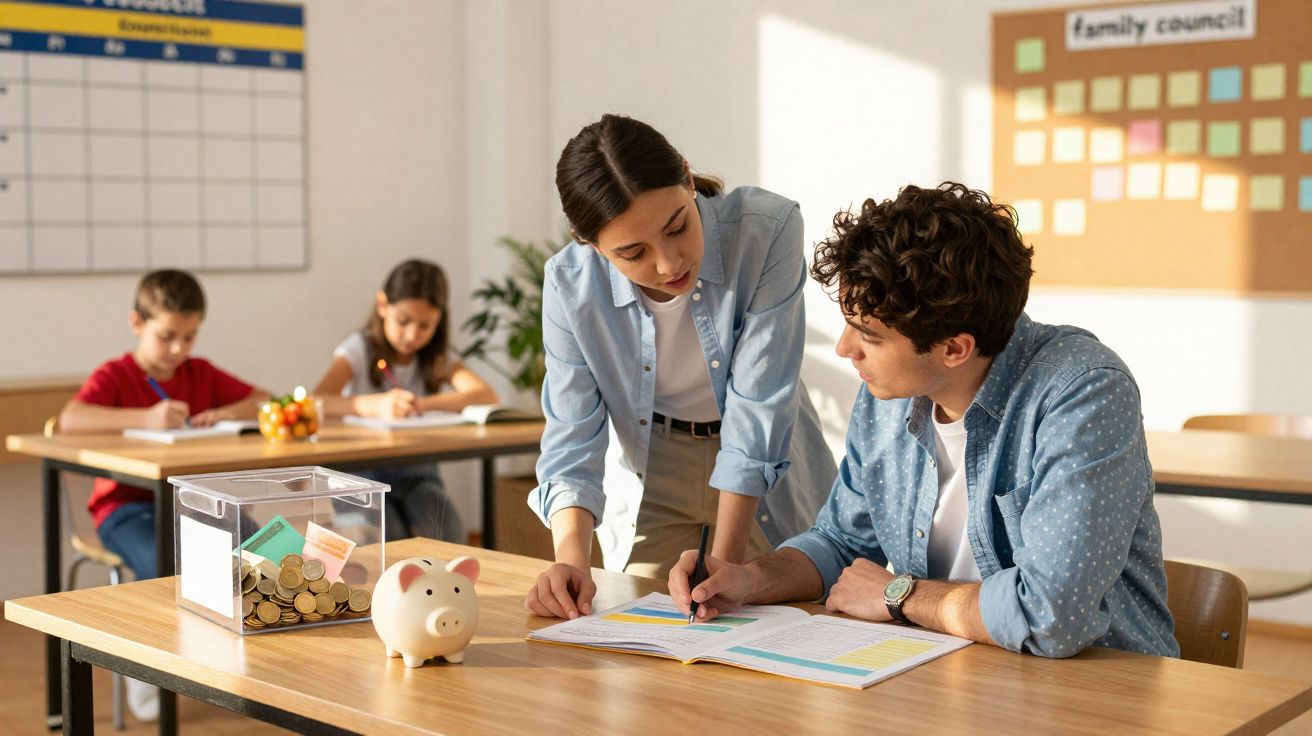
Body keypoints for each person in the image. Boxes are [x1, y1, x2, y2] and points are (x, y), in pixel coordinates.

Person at [669, 182, 1179, 659]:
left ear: (955, 349)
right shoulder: (889, 393)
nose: (845, 349)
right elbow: (840, 542)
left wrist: (899, 595)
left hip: (1098, 686)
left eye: (868, 335)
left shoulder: (1083, 392)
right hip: (951, 675)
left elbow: (1053, 615)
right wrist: (748, 579)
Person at [525, 114, 836, 619]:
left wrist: (724, 569)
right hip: (652, 462)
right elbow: (572, 433)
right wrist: (571, 564)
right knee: (638, 632)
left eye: (678, 227)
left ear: (688, 178)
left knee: (798, 622)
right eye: (633, 253)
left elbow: (758, 409)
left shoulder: (766, 231)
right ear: (590, 244)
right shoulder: (569, 284)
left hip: (767, 466)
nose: (669, 264)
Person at [58, 268, 270, 719]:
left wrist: (228, 412)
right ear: (137, 323)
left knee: (265, 548)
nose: (178, 349)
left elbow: (265, 400)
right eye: (167, 336)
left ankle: (259, 663)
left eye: (189, 337)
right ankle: (148, 671)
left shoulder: (199, 372)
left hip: (191, 502)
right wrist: (145, 418)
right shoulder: (117, 375)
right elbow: (69, 420)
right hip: (125, 509)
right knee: (163, 565)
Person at [314, 258, 498, 543]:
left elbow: (486, 395)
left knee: (447, 532)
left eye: (425, 325)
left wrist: (422, 405)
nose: (412, 335)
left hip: (417, 472)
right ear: (382, 305)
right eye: (403, 321)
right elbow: (317, 401)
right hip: (360, 475)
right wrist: (374, 405)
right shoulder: (359, 349)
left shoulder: (436, 357)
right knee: (388, 535)